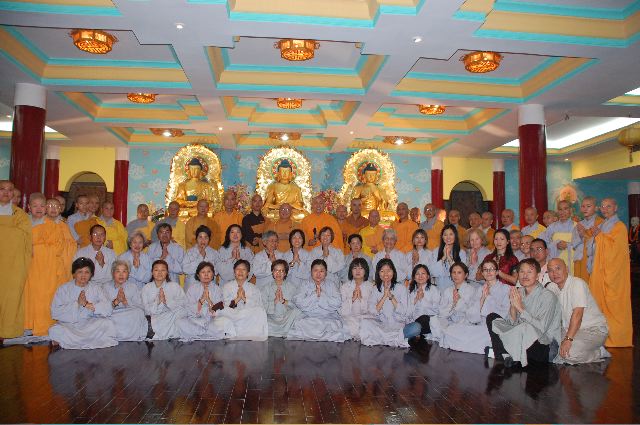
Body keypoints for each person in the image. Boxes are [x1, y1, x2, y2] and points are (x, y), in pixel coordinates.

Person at [486, 258, 561, 367]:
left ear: (537, 275)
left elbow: (542, 328)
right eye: (521, 271)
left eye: (529, 272)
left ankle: (504, 354)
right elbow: (512, 323)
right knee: (492, 318)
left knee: (525, 327)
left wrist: (520, 309)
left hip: (542, 345)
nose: (525, 275)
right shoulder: (519, 292)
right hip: (520, 337)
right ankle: (508, 355)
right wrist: (513, 307)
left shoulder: (548, 296)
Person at [440, 259, 510, 354]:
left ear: (497, 272)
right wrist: (482, 299)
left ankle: (493, 349)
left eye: (491, 269)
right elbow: (471, 315)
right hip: (479, 325)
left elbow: (505, 313)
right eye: (485, 269)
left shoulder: (506, 289)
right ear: (482, 273)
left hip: (494, 328)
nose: (488, 272)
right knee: (451, 330)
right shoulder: (479, 290)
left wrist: (488, 298)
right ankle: (491, 349)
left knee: (484, 335)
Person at [547, 259, 609, 364]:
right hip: (567, 329)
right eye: (550, 270)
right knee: (546, 348)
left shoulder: (577, 284)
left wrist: (568, 339)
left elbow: (578, 314)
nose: (554, 273)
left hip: (592, 329)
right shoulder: (551, 287)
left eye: (558, 268)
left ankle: (599, 352)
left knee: (569, 354)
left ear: (567, 269)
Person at [590, 198, 633, 347]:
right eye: (603, 207)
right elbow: (594, 247)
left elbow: (617, 251)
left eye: (609, 206)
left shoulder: (620, 227)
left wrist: (600, 236)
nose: (605, 209)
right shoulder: (602, 224)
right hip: (601, 271)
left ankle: (618, 338)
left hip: (614, 274)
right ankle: (602, 336)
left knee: (614, 303)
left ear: (616, 208)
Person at [49, 257, 118, 349]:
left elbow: (107, 307)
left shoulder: (96, 288)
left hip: (90, 323)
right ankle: (88, 340)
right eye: (80, 272)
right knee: (55, 330)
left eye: (87, 272)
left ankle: (67, 341)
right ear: (74, 274)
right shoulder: (64, 289)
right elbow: (55, 312)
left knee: (107, 323)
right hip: (70, 325)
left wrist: (88, 305)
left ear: (91, 275)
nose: (83, 275)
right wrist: (77, 304)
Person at [24, 193, 61, 336]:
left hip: (46, 269)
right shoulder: (23, 223)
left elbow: (58, 248)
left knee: (44, 297)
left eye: (42, 206)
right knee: (28, 296)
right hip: (28, 267)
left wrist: (35, 248)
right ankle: (28, 325)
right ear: (29, 207)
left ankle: (44, 327)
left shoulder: (52, 226)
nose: (38, 209)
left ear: (46, 208)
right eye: (35, 206)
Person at [287, 259, 349, 342]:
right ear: (311, 272)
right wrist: (314, 295)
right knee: (301, 323)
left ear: (326, 273)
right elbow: (298, 301)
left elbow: (338, 302)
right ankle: (324, 335)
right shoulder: (304, 284)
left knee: (333, 324)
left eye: (321, 271)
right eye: (315, 270)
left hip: (328, 316)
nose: (318, 274)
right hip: (309, 316)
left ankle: (315, 334)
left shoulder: (331, 284)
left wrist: (322, 295)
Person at [359, 258, 410, 347]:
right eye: (382, 271)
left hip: (397, 324)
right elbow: (372, 311)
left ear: (393, 272)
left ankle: (386, 337)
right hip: (381, 324)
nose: (386, 274)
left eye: (388, 270)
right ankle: (390, 338)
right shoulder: (375, 289)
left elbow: (404, 311)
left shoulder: (401, 288)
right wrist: (384, 296)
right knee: (364, 323)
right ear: (378, 274)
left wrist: (390, 296)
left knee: (415, 329)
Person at [429, 262, 481, 343]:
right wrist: (453, 303)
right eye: (454, 272)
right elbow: (441, 312)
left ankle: (450, 337)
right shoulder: (447, 290)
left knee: (461, 329)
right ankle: (449, 336)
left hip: (464, 322)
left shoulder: (471, 290)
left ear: (466, 275)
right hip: (449, 321)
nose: (456, 275)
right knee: (433, 320)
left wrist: (459, 301)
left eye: (459, 272)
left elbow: (472, 312)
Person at [176, 261, 227, 341]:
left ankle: (199, 332)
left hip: (211, 320)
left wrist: (209, 300)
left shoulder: (217, 289)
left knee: (223, 322)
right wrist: (201, 300)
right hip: (195, 320)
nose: (206, 274)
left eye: (209, 272)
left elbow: (220, 308)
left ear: (213, 275)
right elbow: (187, 308)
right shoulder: (192, 288)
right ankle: (205, 332)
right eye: (203, 272)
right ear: (198, 275)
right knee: (180, 322)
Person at [219, 259, 268, 340]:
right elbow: (224, 305)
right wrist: (237, 299)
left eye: (243, 269)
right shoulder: (226, 287)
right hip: (232, 314)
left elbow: (258, 304)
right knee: (222, 310)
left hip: (247, 315)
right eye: (238, 269)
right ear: (234, 272)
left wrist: (245, 299)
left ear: (248, 273)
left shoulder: (253, 288)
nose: (240, 272)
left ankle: (249, 333)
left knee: (260, 311)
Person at [140, 260, 187, 340]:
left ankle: (155, 331)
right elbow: (145, 310)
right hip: (154, 318)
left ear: (167, 272)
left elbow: (184, 302)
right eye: (156, 270)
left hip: (170, 315)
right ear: (152, 272)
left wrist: (166, 302)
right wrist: (157, 302)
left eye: (163, 270)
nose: (159, 273)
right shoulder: (146, 288)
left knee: (182, 311)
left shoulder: (174, 286)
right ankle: (155, 330)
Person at [103, 260, 147, 341]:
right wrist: (116, 301)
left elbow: (141, 306)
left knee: (139, 312)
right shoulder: (105, 287)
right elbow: (103, 307)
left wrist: (126, 302)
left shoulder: (133, 286)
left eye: (124, 271)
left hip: (128, 312)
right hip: (114, 313)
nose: (121, 275)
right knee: (104, 318)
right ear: (113, 273)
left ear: (128, 274)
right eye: (118, 271)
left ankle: (131, 336)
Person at [260, 259, 301, 337]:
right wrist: (274, 303)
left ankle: (280, 331)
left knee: (298, 311)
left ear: (285, 273)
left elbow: (296, 305)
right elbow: (262, 307)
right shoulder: (266, 288)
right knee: (258, 316)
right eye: (276, 270)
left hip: (287, 318)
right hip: (271, 319)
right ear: (272, 272)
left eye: (282, 271)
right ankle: (285, 331)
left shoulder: (292, 287)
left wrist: (284, 301)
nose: (278, 273)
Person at [402, 264, 440, 346]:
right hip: (412, 322)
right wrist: (416, 299)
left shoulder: (434, 290)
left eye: (423, 273)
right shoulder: (409, 290)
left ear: (428, 276)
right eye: (417, 274)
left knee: (424, 318)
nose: (420, 276)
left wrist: (423, 299)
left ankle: (410, 333)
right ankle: (411, 333)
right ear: (414, 277)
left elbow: (436, 311)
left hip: (428, 322)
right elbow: (406, 311)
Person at [340, 257, 374, 340]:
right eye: (355, 268)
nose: (358, 271)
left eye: (361, 268)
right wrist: (352, 299)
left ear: (365, 271)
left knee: (369, 326)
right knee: (343, 325)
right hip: (349, 318)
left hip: (366, 318)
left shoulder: (371, 287)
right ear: (351, 271)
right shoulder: (345, 287)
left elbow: (373, 310)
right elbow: (341, 310)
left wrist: (362, 299)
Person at [45, 197, 76, 288]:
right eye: (50, 206)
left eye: (57, 206)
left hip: (62, 264)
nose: (53, 208)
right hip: (46, 263)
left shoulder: (64, 225)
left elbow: (72, 245)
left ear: (60, 209)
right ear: (45, 208)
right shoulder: (41, 224)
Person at [541, 200, 577, 274]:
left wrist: (568, 245)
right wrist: (555, 245)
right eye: (560, 209)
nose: (562, 212)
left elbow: (581, 245)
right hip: (556, 262)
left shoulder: (577, 226)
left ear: (571, 210)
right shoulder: (551, 227)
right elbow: (544, 245)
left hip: (573, 262)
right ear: (557, 211)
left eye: (565, 209)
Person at [573, 196, 603, 282]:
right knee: (579, 285)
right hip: (579, 259)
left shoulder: (600, 223)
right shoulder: (579, 224)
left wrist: (584, 235)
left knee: (591, 284)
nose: (585, 209)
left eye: (588, 206)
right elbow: (574, 244)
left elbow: (601, 242)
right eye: (583, 206)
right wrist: (580, 235)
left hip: (593, 259)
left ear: (596, 208)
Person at [431, 224, 468, 290]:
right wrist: (444, 257)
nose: (448, 237)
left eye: (451, 234)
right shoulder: (436, 251)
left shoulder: (461, 252)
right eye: (445, 235)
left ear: (455, 236)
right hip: (439, 287)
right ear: (442, 237)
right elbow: (433, 272)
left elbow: (462, 273)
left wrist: (449, 258)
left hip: (456, 287)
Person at [182, 225, 218, 291]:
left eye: (206, 237)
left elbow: (216, 271)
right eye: (200, 237)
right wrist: (199, 257)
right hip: (192, 286)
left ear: (209, 239)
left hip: (209, 287)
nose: (203, 240)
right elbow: (185, 269)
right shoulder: (190, 252)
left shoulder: (214, 253)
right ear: (196, 239)